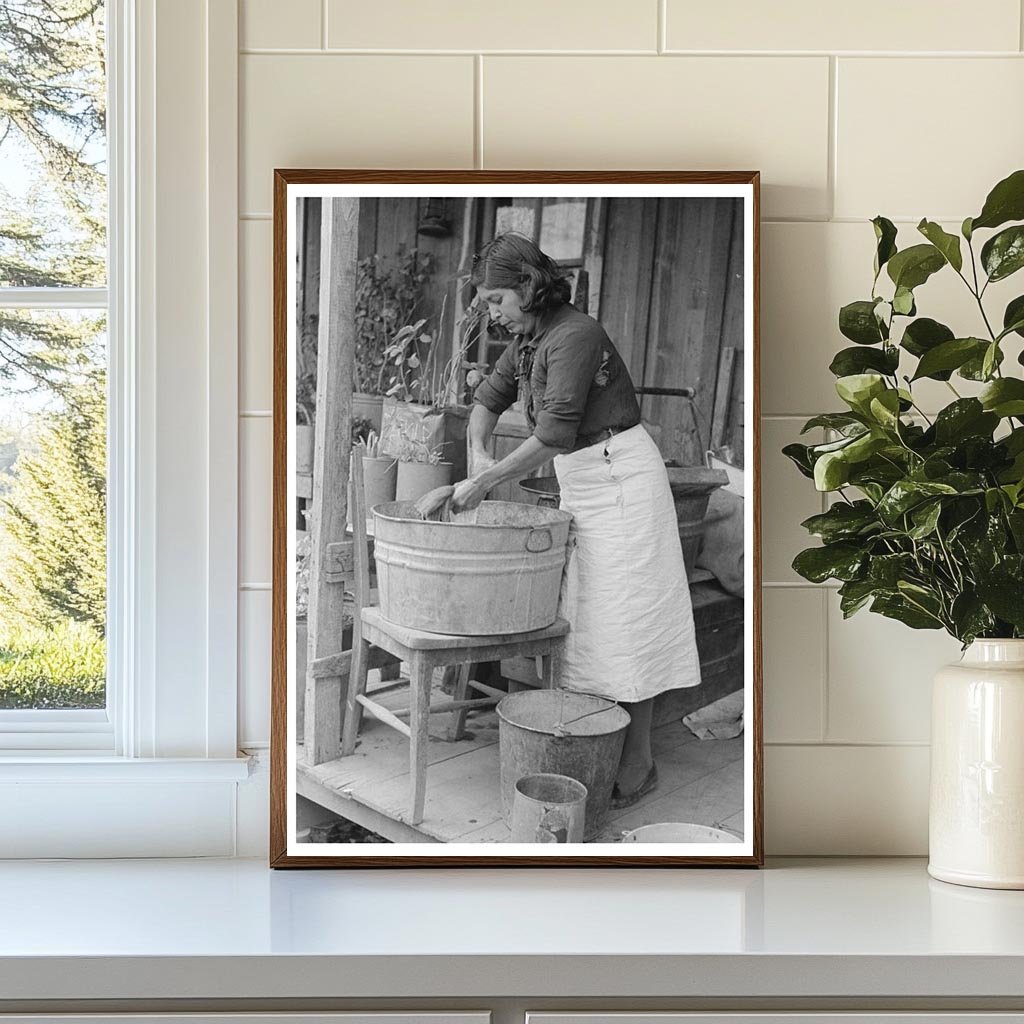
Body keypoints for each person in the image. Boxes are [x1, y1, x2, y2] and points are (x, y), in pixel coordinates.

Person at [449, 233, 701, 808]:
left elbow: (554, 432)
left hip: (622, 481)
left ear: (528, 288)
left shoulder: (575, 336)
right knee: (585, 620)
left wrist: (483, 483)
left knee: (626, 623)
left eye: (496, 301)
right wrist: (480, 456)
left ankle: (638, 763)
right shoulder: (531, 338)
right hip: (584, 482)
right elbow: (488, 399)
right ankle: (594, 742)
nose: (493, 314)